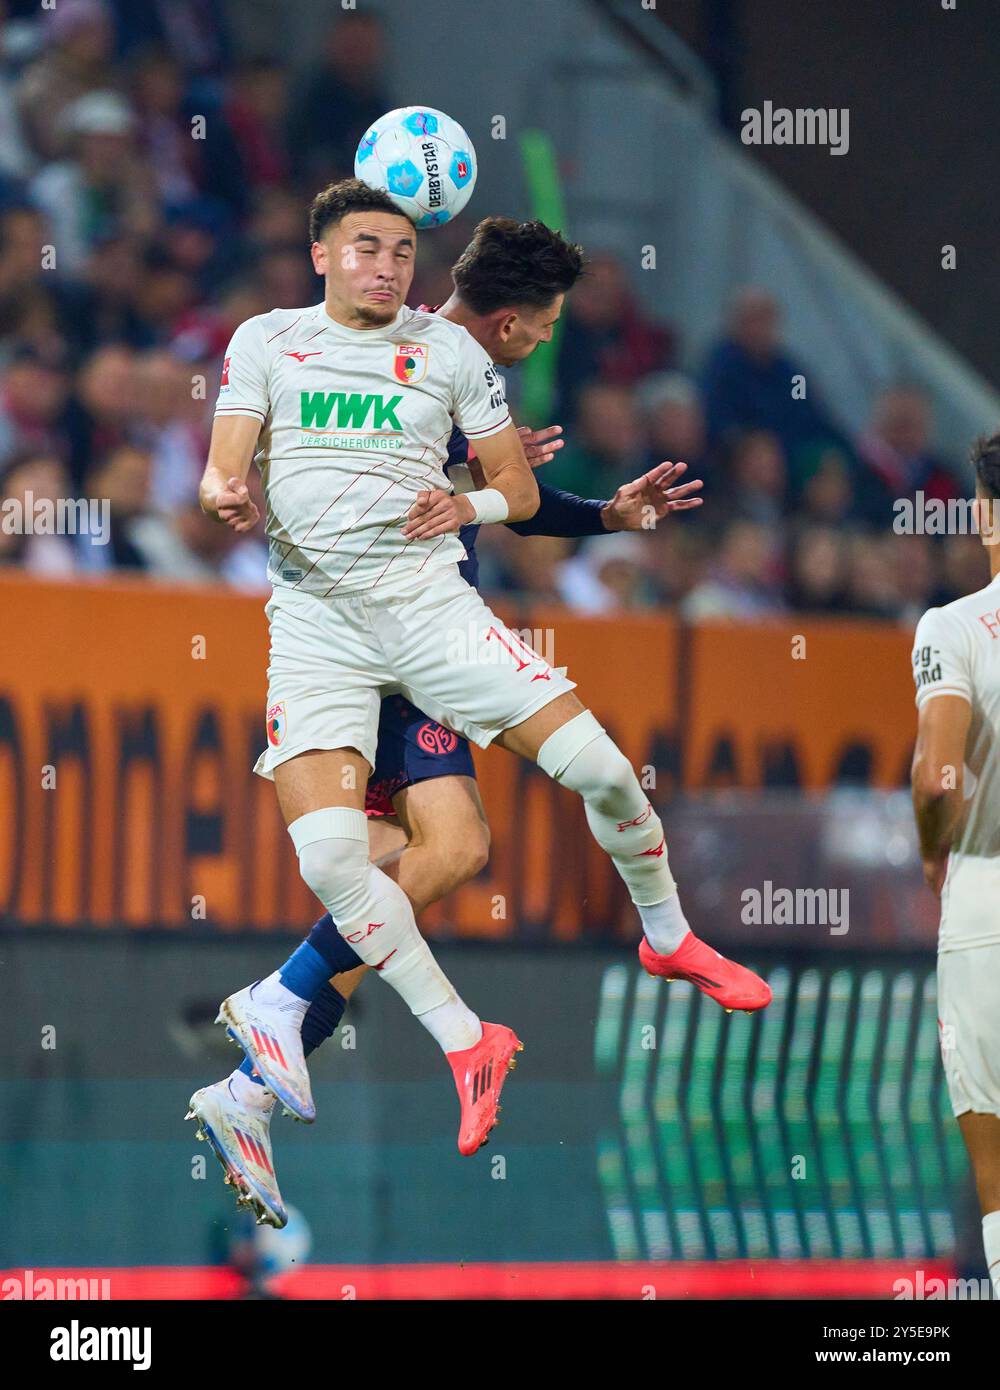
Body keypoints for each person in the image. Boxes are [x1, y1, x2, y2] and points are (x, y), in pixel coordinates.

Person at [189, 181, 769, 1226]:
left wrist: (568, 506)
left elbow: (513, 499)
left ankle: (260, 1054)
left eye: (400, 248)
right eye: (540, 330)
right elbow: (269, 460)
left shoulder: (452, 364)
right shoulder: (301, 342)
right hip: (336, 626)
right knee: (398, 863)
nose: (388, 265)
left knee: (448, 852)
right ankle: (278, 1039)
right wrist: (229, 485)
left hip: (422, 629)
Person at [911, 431, 1000, 1303]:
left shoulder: (957, 627)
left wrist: (936, 848)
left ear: (982, 512)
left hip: (985, 890)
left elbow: (939, 774)